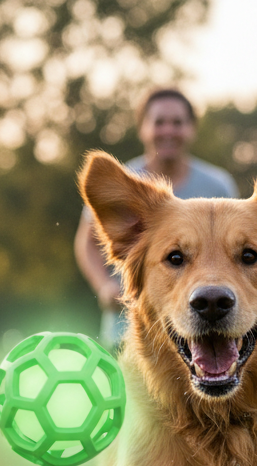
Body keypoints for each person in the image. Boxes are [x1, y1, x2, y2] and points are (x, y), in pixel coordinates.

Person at [74, 89, 238, 348]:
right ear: (143, 128)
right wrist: (104, 286)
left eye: (178, 122)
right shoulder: (124, 180)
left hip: (210, 322)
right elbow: (88, 242)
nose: (168, 130)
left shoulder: (218, 185)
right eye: (159, 122)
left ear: (191, 129)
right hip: (128, 323)